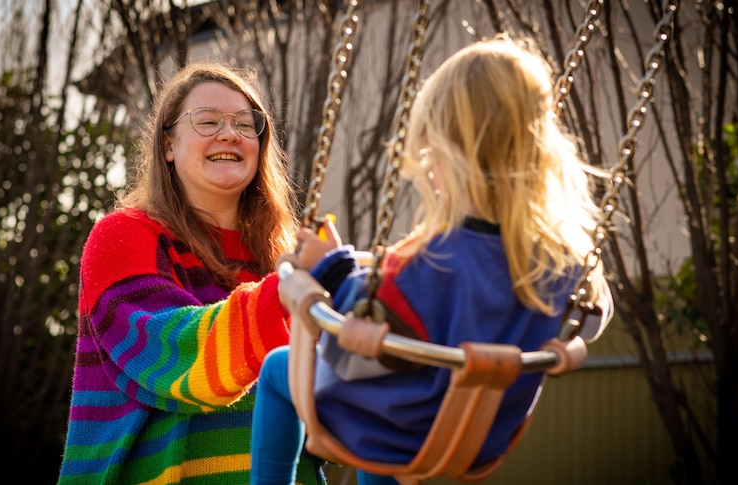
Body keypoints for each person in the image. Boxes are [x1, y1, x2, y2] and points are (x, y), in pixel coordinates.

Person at [249, 36, 614, 485]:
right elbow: (592, 318)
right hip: (481, 436)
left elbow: (369, 314)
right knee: (387, 391)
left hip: (390, 424)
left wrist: (333, 264)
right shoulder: (561, 264)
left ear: (449, 154)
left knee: (280, 369)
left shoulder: (437, 259)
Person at [57, 61, 326, 484]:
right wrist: (285, 296)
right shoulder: (124, 235)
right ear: (168, 144)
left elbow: (326, 399)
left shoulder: (283, 257)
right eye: (207, 122)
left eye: (244, 123)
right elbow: (168, 353)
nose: (229, 133)